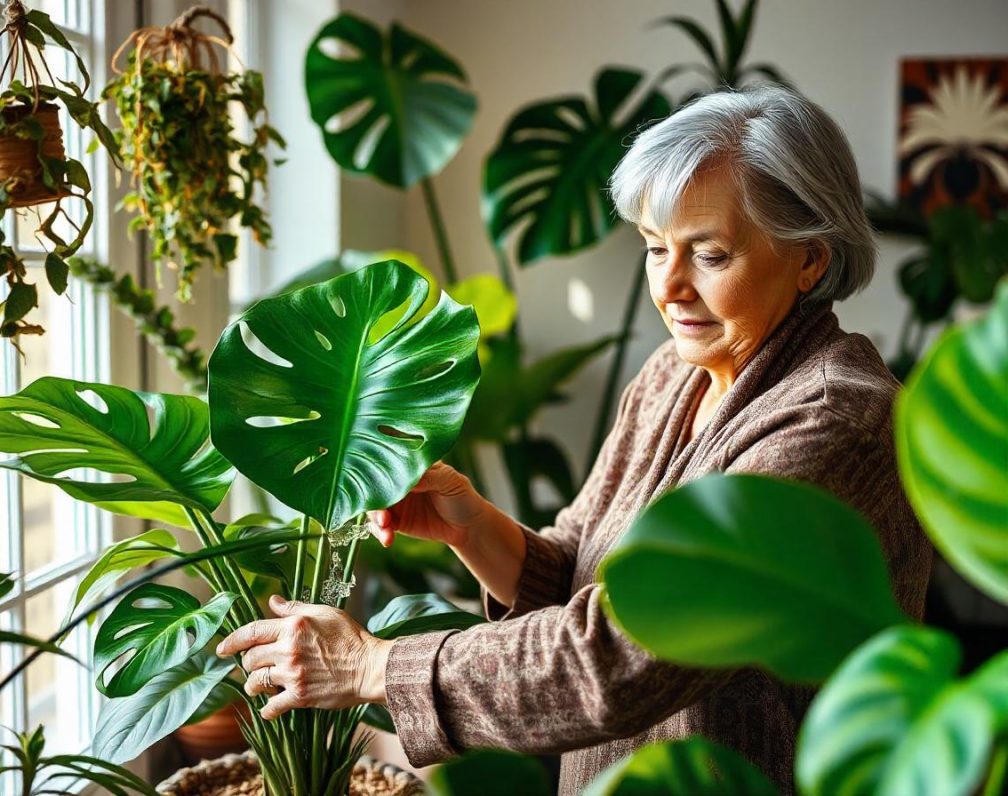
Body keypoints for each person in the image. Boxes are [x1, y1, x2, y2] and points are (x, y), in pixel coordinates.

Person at [217, 85, 933, 794]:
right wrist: (477, 528)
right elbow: (587, 574)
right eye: (656, 249)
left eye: (709, 256)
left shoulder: (835, 424)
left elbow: (620, 656)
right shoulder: (674, 375)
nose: (671, 288)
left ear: (809, 259)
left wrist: (372, 667)